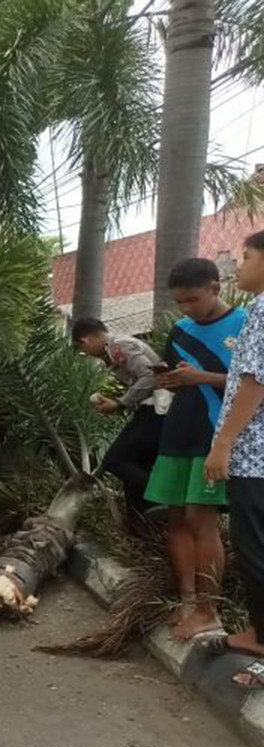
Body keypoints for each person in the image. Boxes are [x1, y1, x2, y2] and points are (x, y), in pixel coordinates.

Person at [145, 258, 247, 642]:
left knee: (202, 521)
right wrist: (171, 380)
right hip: (177, 432)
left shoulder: (246, 324)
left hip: (215, 434)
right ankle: (187, 602)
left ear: (216, 288)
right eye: (180, 302)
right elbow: (177, 376)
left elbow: (253, 383)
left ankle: (209, 609)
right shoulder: (181, 329)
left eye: (193, 299)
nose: (186, 309)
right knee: (177, 520)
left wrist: (199, 377)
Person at [204, 231, 264, 688]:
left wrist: (222, 443)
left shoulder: (262, 310)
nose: (237, 266)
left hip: (254, 458)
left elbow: (254, 383)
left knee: (254, 549)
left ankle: (261, 640)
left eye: (246, 257)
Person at [72, 317, 164, 519]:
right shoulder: (114, 349)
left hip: (156, 411)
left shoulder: (118, 345)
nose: (87, 354)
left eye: (83, 350)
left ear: (85, 341)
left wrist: (121, 402)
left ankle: (162, 499)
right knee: (135, 464)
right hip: (153, 410)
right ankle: (141, 521)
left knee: (115, 460)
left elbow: (150, 376)